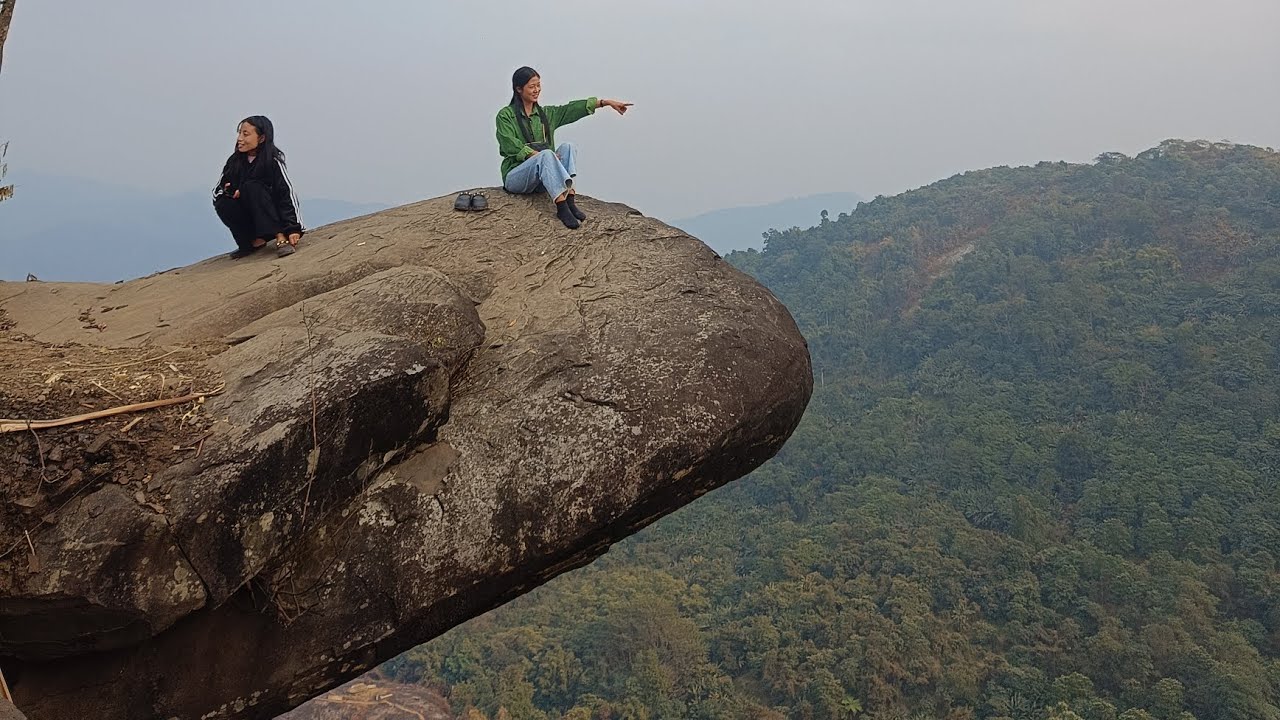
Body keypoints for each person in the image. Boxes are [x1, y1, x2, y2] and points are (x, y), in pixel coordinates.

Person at [496, 66, 632, 229]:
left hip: (541, 180)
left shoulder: (546, 114)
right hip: (516, 177)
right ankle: (561, 207)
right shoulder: (506, 116)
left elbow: (571, 109)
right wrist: (540, 155)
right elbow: (509, 145)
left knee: (568, 146)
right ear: (519, 89)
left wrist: (606, 102)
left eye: (538, 85)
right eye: (532, 86)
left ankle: (569, 199)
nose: (536, 90)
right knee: (546, 154)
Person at [213, 116, 304, 258]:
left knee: (252, 187)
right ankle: (251, 242)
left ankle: (280, 236)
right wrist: (229, 192)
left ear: (261, 139)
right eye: (239, 133)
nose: (239, 139)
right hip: (249, 217)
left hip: (272, 215)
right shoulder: (234, 162)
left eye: (246, 134)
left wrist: (293, 228)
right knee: (223, 202)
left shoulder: (272, 162)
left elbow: (286, 194)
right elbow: (217, 191)